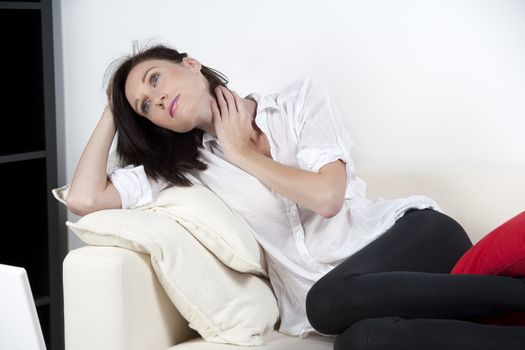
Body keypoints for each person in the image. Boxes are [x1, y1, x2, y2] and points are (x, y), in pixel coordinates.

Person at [66, 43, 525, 349]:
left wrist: (242, 153)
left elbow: (327, 196)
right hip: (342, 305)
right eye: (143, 108)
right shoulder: (183, 172)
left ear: (190, 64)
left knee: (325, 304)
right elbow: (85, 199)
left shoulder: (298, 102)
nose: (154, 99)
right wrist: (113, 110)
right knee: (359, 341)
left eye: (153, 80)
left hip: (416, 240)